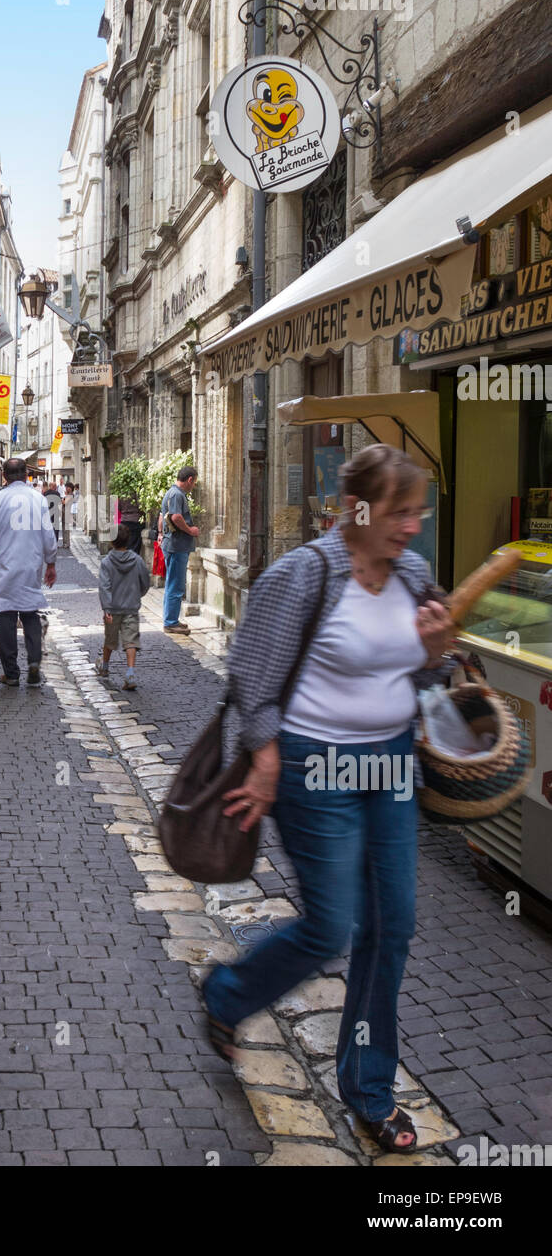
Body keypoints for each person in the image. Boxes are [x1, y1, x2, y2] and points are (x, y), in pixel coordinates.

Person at [201, 444, 452, 1154]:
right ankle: (228, 994)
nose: (411, 526)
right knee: (330, 926)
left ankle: (369, 1090)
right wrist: (264, 757)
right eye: (399, 512)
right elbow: (250, 670)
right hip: (315, 765)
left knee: (391, 927)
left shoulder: (413, 574)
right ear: (356, 508)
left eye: (418, 510)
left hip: (390, 763)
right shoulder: (304, 573)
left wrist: (439, 650)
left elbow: (434, 667)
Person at [0, 457, 57, 688]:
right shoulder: (38, 499)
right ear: (25, 476)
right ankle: (34, 661)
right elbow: (48, 534)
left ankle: (11, 672)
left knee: (6, 618)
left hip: (4, 565)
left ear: (4, 476)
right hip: (30, 564)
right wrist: (50, 563)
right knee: (30, 613)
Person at [95, 524, 151, 690]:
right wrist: (137, 595)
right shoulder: (137, 560)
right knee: (131, 641)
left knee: (110, 640)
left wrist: (107, 608)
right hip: (131, 608)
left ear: (112, 542)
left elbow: (104, 587)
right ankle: (130, 673)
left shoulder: (106, 562)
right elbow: (145, 582)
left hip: (112, 609)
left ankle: (104, 667)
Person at [160, 464, 199, 634]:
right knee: (176, 585)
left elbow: (162, 517)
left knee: (172, 584)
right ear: (189, 480)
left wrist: (160, 534)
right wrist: (190, 530)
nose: (194, 486)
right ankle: (171, 622)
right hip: (177, 546)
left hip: (173, 545)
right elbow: (175, 517)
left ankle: (171, 619)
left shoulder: (171, 493)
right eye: (194, 482)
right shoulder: (177, 494)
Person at [118, 495, 144, 559]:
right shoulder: (137, 492)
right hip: (135, 520)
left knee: (125, 544)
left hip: (124, 521)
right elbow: (141, 507)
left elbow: (119, 507)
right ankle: (132, 563)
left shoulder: (122, 492)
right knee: (135, 546)